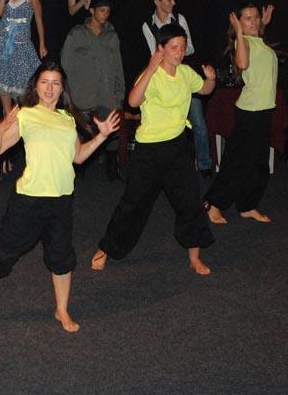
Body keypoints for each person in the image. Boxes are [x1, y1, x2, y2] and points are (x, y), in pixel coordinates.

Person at [0, 62, 120, 332]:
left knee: (62, 257)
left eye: (55, 83)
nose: (49, 88)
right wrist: (1, 129)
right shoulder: (26, 115)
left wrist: (101, 137)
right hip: (30, 198)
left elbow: (78, 157)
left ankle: (62, 309)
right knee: (3, 252)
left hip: (62, 199)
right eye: (44, 82)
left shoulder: (67, 119)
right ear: (35, 86)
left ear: (62, 89)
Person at [91, 24, 216, 275]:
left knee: (191, 202)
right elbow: (133, 101)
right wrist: (150, 68)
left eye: (182, 47)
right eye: (174, 47)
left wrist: (211, 79)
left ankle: (194, 256)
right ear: (161, 49)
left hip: (178, 147)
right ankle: (108, 247)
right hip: (149, 151)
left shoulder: (185, 73)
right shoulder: (152, 75)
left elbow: (204, 89)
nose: (179, 52)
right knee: (133, 204)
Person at [204, 4, 278, 224]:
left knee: (259, 165)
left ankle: (247, 205)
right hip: (250, 112)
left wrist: (263, 25)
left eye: (256, 17)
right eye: (247, 18)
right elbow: (243, 64)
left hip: (264, 110)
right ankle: (213, 204)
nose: (253, 21)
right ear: (238, 23)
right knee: (238, 162)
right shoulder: (242, 42)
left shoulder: (257, 41)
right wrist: (238, 31)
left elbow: (257, 48)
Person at [142, 0, 212, 177]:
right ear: (157, 2)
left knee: (199, 123)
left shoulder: (180, 19)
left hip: (183, 77)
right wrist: (168, 52)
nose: (173, 2)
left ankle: (204, 163)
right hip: (162, 78)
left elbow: (190, 47)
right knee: (167, 124)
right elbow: (154, 53)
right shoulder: (147, 25)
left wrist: (176, 50)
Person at [60, 0, 125, 180]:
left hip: (106, 93)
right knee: (80, 132)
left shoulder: (112, 36)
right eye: (101, 10)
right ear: (92, 11)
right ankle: (78, 169)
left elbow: (118, 65)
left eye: (108, 11)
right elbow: (65, 62)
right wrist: (71, 89)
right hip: (82, 93)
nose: (105, 14)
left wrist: (119, 93)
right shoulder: (76, 34)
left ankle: (112, 169)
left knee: (111, 132)